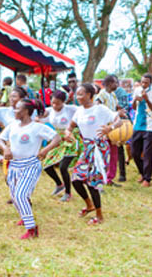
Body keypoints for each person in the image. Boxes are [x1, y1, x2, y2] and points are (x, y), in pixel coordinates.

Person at [0, 98, 60, 239]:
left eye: (17, 108)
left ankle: (32, 229)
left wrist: (45, 150)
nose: (14, 110)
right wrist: (5, 148)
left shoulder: (37, 127)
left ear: (26, 111)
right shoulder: (13, 125)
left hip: (30, 165)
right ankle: (25, 217)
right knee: (15, 197)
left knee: (20, 195)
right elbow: (0, 139)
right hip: (14, 165)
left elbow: (56, 138)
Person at [63, 82, 122, 225]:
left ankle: (99, 215)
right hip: (87, 147)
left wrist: (110, 128)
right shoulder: (79, 111)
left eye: (81, 94)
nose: (78, 97)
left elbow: (119, 120)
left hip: (100, 148)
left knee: (92, 182)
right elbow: (70, 126)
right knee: (76, 179)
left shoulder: (100, 109)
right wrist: (67, 133)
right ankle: (89, 205)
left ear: (89, 95)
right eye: (77, 94)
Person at [40, 89, 82, 202]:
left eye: (57, 103)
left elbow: (84, 111)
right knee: (47, 164)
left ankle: (68, 193)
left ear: (63, 102)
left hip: (71, 139)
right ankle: (59, 184)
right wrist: (37, 118)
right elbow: (39, 118)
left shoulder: (71, 109)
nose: (54, 105)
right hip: (57, 140)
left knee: (63, 167)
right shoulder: (49, 111)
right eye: (52, 102)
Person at [130, 72, 152, 186]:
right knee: (134, 152)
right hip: (137, 125)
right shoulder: (137, 90)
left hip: (149, 126)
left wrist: (147, 99)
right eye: (142, 82)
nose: (144, 84)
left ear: (150, 82)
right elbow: (134, 108)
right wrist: (135, 100)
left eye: (146, 82)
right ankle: (142, 173)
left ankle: (147, 179)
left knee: (148, 154)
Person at [95, 75, 126, 183]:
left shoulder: (113, 95)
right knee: (104, 153)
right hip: (104, 128)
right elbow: (97, 107)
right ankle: (101, 177)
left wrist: (121, 112)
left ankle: (109, 178)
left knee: (114, 153)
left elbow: (116, 107)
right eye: (115, 83)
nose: (117, 85)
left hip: (113, 128)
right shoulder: (102, 95)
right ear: (108, 84)